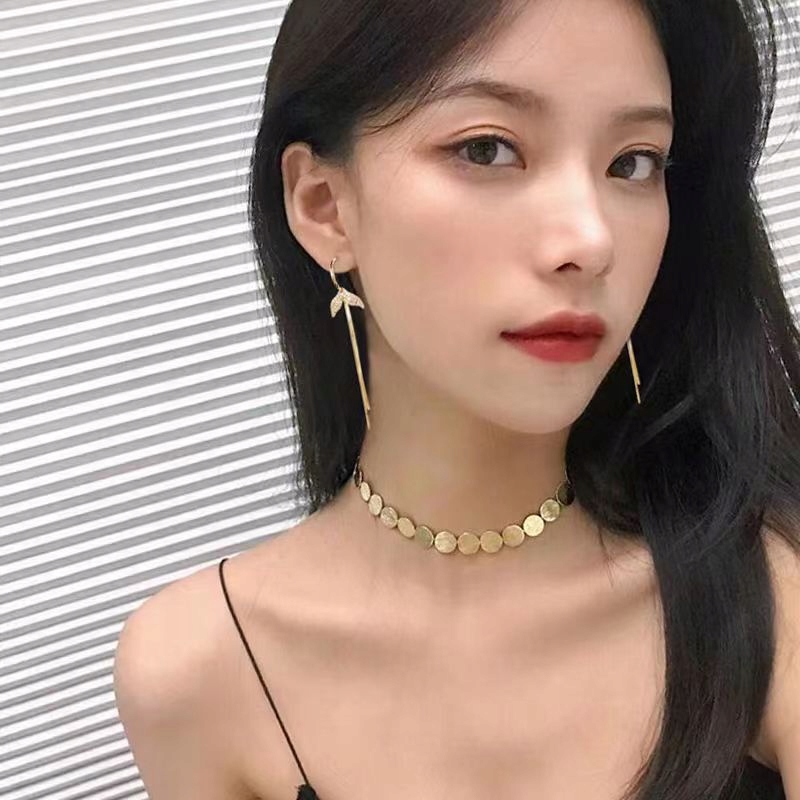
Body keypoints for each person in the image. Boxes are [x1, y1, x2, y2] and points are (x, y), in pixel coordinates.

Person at [113, 0, 800, 798]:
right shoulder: (202, 670)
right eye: (487, 148)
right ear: (323, 205)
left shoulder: (770, 596)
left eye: (633, 163)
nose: (590, 240)